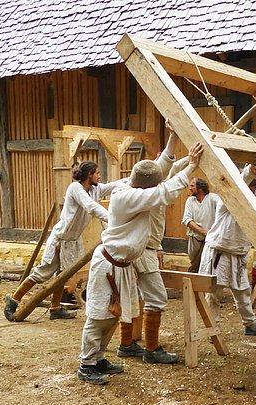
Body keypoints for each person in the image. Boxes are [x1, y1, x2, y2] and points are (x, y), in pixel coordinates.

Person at [77, 147, 201, 385]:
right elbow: (164, 191)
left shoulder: (132, 187)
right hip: (109, 265)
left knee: (114, 314)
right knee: (98, 316)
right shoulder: (126, 197)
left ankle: (99, 358)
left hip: (121, 265)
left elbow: (162, 173)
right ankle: (86, 364)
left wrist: (187, 159)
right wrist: (192, 167)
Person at [117, 127, 199, 361]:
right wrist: (192, 164)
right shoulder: (150, 195)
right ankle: (151, 350)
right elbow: (171, 183)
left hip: (136, 250)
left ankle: (126, 345)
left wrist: (174, 137)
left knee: (131, 296)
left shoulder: (137, 187)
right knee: (156, 297)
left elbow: (167, 167)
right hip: (143, 251)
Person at [4, 161, 113, 321]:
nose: (99, 175)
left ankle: (55, 309)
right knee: (42, 273)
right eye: (97, 173)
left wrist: (137, 178)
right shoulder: (76, 188)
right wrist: (113, 220)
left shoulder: (94, 189)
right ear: (89, 174)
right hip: (60, 240)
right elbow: (91, 207)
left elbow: (114, 186)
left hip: (73, 241)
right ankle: (13, 301)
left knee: (62, 275)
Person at [198, 164, 256, 338]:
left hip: (238, 252)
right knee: (213, 292)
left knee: (243, 291)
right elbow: (238, 184)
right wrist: (249, 169)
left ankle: (250, 324)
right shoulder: (226, 197)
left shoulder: (252, 197)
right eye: (250, 189)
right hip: (219, 251)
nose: (254, 193)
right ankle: (213, 328)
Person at [182, 178, 219, 273]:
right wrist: (202, 232)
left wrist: (211, 232)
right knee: (194, 262)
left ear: (200, 188)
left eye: (192, 186)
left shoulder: (212, 198)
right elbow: (187, 220)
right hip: (195, 238)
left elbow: (222, 207)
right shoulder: (190, 200)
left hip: (210, 239)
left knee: (207, 264)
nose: (190, 188)